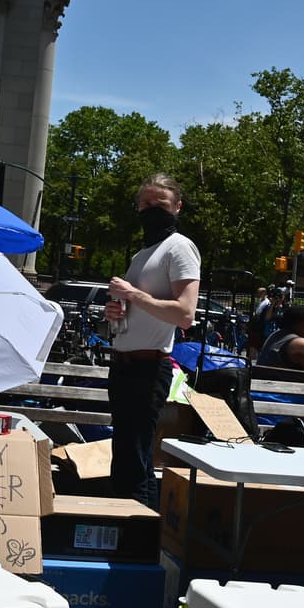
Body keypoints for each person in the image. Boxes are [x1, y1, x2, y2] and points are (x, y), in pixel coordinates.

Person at [103, 174, 201, 508]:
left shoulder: (180, 248)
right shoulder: (143, 254)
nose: (149, 211)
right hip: (124, 364)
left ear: (177, 207)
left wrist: (132, 293)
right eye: (144, 204)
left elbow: (185, 314)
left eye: (158, 204)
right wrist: (117, 311)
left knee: (136, 457)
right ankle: (131, 526)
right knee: (127, 453)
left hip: (148, 367)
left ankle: (137, 531)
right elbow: (142, 307)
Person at [246, 286, 269, 358]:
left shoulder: (266, 302)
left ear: (264, 293)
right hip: (256, 324)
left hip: (259, 325)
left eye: (259, 293)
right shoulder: (260, 301)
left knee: (256, 343)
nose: (257, 294)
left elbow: (259, 313)